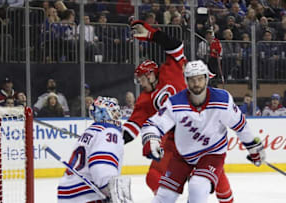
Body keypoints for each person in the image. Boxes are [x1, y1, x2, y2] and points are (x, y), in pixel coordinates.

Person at [123, 20, 234, 203]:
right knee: (153, 176)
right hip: (174, 140)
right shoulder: (145, 99)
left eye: (141, 79)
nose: (140, 84)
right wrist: (110, 137)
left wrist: (153, 35)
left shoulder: (172, 70)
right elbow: (132, 127)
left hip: (201, 128)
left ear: (150, 74)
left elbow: (176, 46)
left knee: (214, 176)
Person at [140, 60, 265, 203]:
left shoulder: (222, 100)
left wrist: (254, 148)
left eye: (200, 78)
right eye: (192, 79)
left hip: (211, 154)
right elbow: (153, 123)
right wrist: (152, 139)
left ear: (206, 79)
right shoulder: (176, 102)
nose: (196, 83)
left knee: (197, 187)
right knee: (165, 196)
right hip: (183, 156)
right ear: (186, 81)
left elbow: (241, 126)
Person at [57, 96, 132, 202]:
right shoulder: (109, 131)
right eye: (114, 112)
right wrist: (109, 189)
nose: (118, 115)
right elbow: (101, 164)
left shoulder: (91, 131)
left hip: (67, 192)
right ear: (103, 113)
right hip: (87, 195)